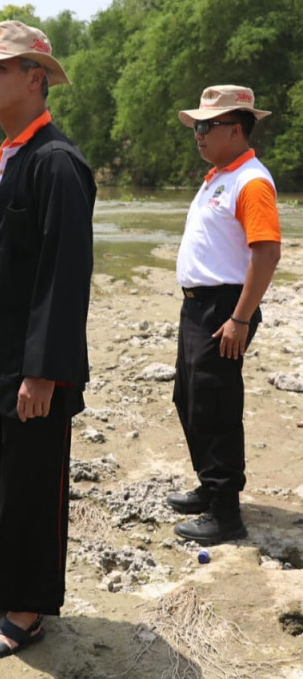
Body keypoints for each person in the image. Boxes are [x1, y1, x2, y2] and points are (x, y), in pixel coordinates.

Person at [0, 20, 96, 661]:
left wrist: (44, 371)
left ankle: (27, 610)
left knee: (32, 487)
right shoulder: (15, 156)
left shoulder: (56, 164)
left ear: (36, 78)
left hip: (33, 366)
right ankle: (3, 587)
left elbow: (65, 279)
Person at [166, 85, 281, 545]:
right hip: (198, 305)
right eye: (196, 125)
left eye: (206, 126)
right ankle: (209, 487)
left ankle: (226, 512)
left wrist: (239, 318)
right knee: (188, 397)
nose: (197, 133)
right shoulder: (219, 174)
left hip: (224, 307)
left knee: (215, 404)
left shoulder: (251, 181)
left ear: (236, 129)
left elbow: (267, 253)